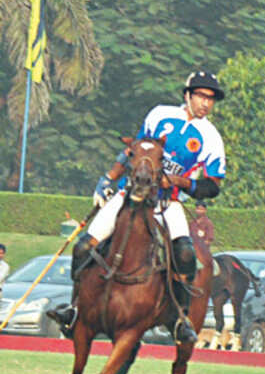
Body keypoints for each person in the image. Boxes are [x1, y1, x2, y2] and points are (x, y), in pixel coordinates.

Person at [48, 70, 227, 344]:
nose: (206, 103)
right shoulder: (159, 114)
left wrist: (179, 181)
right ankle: (74, 309)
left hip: (167, 203)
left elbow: (213, 185)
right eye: (201, 95)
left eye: (211, 98)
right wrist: (108, 178)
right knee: (84, 246)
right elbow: (131, 149)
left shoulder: (211, 138)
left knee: (186, 254)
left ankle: (179, 319)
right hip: (129, 196)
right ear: (187, 95)